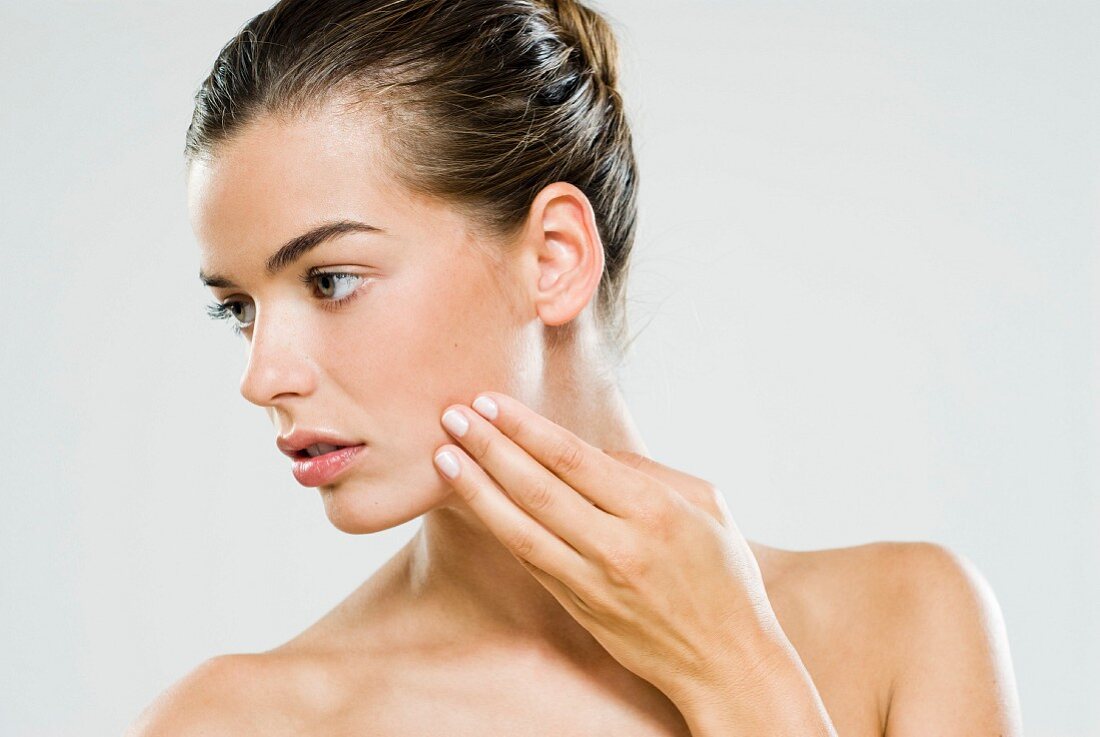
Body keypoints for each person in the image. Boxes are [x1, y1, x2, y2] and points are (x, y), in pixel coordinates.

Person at [128, 1, 1024, 734]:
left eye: (330, 280)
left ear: (553, 255)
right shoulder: (237, 720)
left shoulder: (908, 627)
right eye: (239, 308)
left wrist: (738, 672)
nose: (262, 376)